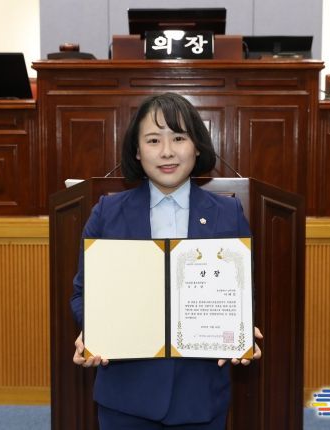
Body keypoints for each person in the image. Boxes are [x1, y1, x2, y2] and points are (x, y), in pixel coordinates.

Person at [71, 93, 262, 429]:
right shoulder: (107, 213)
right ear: (137, 150)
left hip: (200, 395)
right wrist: (95, 331)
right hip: (125, 394)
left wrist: (242, 331)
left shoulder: (228, 213)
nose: (167, 151)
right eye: (153, 140)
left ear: (197, 146)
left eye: (179, 138)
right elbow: (82, 293)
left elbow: (243, 292)